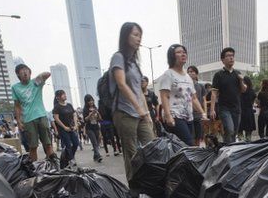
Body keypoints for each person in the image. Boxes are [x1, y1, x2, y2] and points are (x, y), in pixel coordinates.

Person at [110, 22, 155, 178]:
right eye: (135, 35)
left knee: (153, 147)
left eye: (140, 36)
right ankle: (134, 191)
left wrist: (147, 114)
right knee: (132, 155)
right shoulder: (118, 57)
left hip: (140, 114)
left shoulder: (134, 63)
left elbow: (139, 91)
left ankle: (152, 183)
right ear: (125, 36)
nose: (138, 39)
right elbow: (121, 84)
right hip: (124, 112)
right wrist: (139, 109)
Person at [157, 44, 206, 146]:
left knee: (182, 147)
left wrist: (202, 112)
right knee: (189, 144)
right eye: (179, 52)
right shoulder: (168, 74)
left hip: (189, 116)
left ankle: (177, 162)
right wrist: (168, 115)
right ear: (172, 56)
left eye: (184, 52)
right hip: (175, 116)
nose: (183, 54)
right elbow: (164, 96)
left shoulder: (188, 77)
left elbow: (193, 98)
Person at [11, 64, 54, 162]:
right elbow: (17, 106)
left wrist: (38, 77)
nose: (25, 72)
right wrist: (19, 121)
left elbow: (48, 74)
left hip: (41, 115)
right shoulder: (15, 88)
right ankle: (34, 168)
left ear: (30, 72)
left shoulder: (36, 82)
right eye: (22, 71)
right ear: (18, 74)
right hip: (28, 119)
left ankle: (53, 164)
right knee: (33, 146)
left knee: (47, 143)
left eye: (26, 70)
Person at [210, 47, 247, 143]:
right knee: (229, 129)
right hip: (224, 108)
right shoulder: (218, 75)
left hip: (236, 108)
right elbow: (214, 93)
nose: (231, 58)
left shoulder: (237, 74)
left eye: (232, 56)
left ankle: (231, 150)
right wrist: (212, 109)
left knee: (234, 132)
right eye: (228, 56)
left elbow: (243, 90)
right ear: (223, 60)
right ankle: (227, 150)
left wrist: (241, 80)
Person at [52, 90, 79, 169]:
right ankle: (70, 160)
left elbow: (74, 115)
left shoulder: (69, 105)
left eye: (64, 94)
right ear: (58, 97)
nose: (65, 95)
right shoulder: (57, 107)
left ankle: (67, 158)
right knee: (68, 145)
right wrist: (64, 127)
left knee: (76, 143)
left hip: (71, 127)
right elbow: (56, 119)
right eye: (63, 95)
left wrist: (76, 125)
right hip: (63, 129)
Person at [187, 66, 207, 146]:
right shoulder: (186, 86)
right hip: (188, 114)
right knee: (191, 136)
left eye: (192, 71)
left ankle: (197, 150)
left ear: (196, 73)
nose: (190, 73)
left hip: (199, 115)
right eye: (188, 72)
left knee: (199, 136)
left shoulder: (201, 86)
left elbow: (204, 100)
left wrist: (204, 112)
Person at [82, 95, 103, 162]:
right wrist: (91, 114)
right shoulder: (85, 109)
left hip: (96, 127)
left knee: (97, 142)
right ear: (86, 102)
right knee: (94, 142)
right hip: (89, 128)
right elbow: (85, 119)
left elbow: (100, 119)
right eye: (89, 101)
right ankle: (98, 155)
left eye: (92, 100)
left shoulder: (95, 108)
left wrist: (98, 113)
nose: (91, 102)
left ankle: (95, 156)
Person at [238, 76, 256, 141]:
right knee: (248, 132)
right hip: (249, 112)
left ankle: (241, 143)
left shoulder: (239, 91)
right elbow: (252, 103)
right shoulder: (252, 91)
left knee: (240, 131)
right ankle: (248, 144)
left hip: (240, 112)